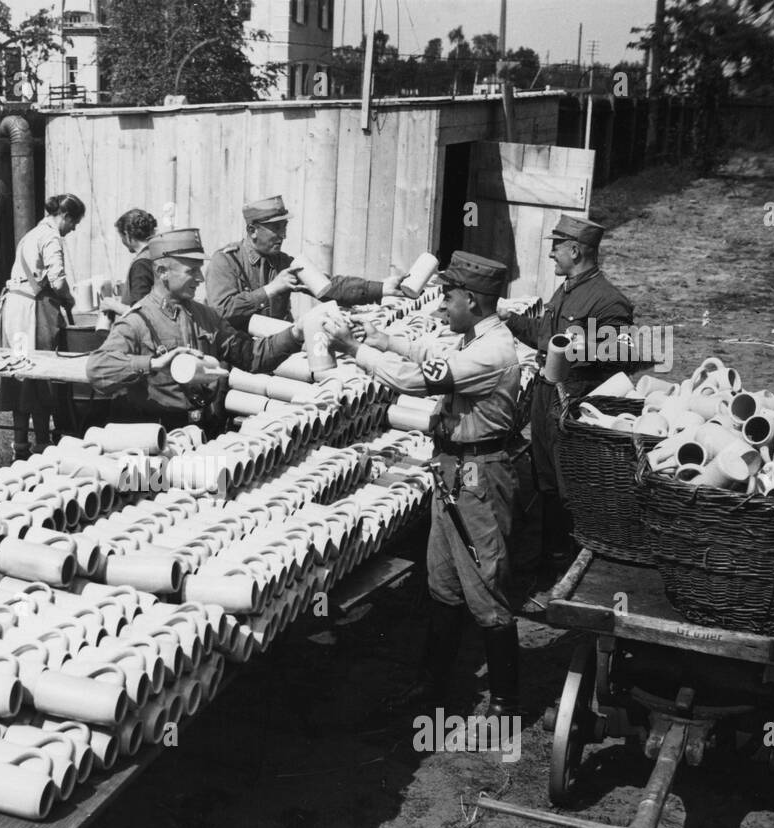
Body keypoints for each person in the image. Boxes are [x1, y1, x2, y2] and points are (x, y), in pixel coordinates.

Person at [325, 251, 523, 718]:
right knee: (444, 584)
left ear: (472, 301)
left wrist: (359, 352)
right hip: (454, 471)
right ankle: (432, 687)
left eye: (448, 298)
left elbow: (419, 382)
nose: (441, 307)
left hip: (477, 478)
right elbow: (435, 355)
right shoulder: (478, 335)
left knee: (486, 589)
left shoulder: (492, 351)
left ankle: (505, 703)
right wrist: (385, 339)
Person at [502, 214, 635, 569]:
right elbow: (544, 335)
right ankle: (550, 560)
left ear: (575, 250)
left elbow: (620, 354)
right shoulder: (568, 288)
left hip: (572, 404)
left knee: (570, 487)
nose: (550, 255)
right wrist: (506, 318)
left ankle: (573, 566)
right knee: (545, 481)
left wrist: (583, 345)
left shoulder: (609, 302)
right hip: (546, 398)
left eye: (556, 248)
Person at [86, 228, 306, 433]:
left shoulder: (206, 317)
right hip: (153, 439)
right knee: (149, 478)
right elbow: (97, 370)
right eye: (192, 271)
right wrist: (153, 364)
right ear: (163, 272)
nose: (201, 278)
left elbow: (253, 356)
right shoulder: (137, 321)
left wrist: (295, 334)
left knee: (216, 475)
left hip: (200, 433)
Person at [206, 194, 390, 332]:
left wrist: (383, 288)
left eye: (284, 228)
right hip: (235, 361)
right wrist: (269, 290)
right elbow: (220, 311)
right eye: (276, 229)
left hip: (274, 354)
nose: (283, 236)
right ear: (252, 230)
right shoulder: (226, 262)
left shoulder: (284, 263)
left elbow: (331, 288)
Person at [0, 192, 85, 460]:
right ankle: (40, 444)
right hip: (30, 311)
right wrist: (70, 300)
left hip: (15, 309)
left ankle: (22, 445)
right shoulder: (50, 236)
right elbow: (57, 281)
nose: (74, 229)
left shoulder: (31, 233)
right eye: (74, 222)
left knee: (21, 374)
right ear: (65, 216)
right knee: (37, 373)